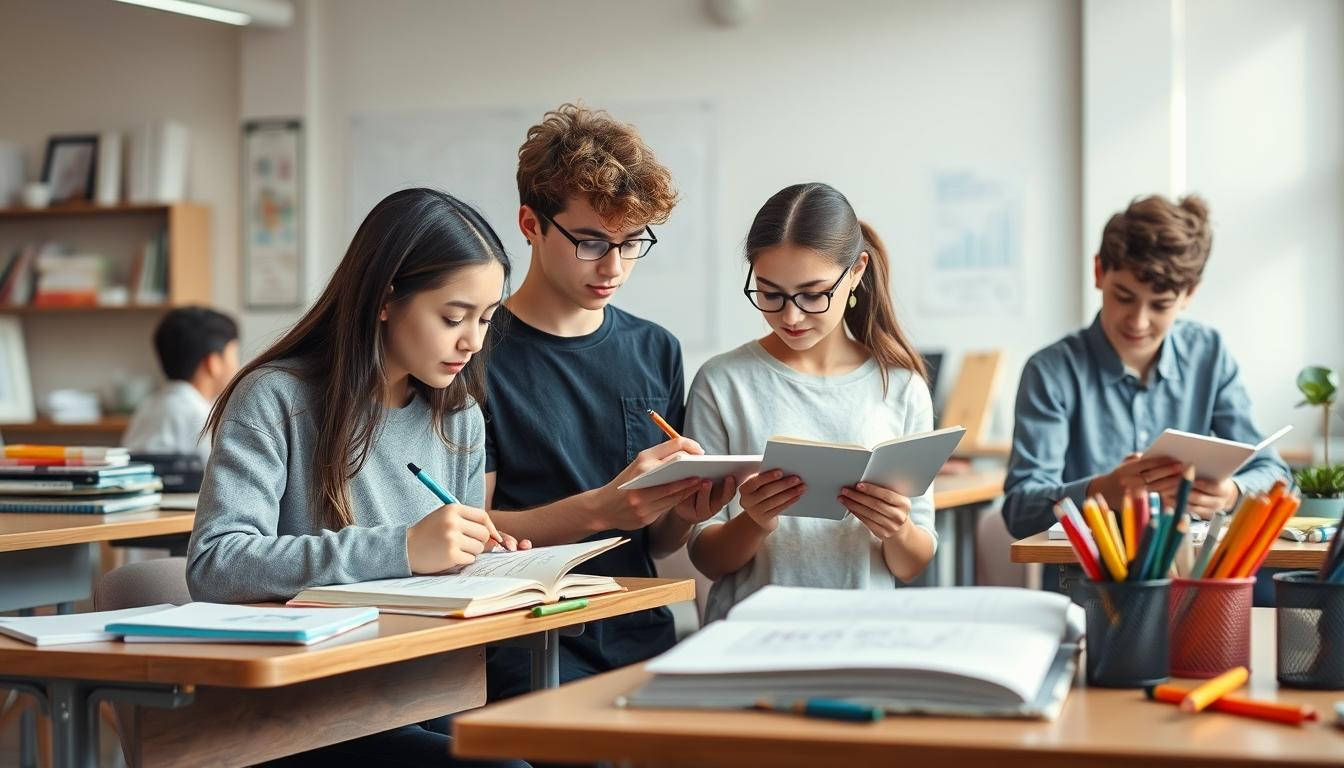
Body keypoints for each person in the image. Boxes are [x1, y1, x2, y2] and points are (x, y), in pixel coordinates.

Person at [188, 188, 527, 768]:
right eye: (453, 317)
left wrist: (489, 564)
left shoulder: (460, 416)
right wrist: (402, 547)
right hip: (308, 708)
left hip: (422, 687)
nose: (472, 341)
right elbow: (215, 565)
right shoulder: (276, 399)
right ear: (385, 299)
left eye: (486, 318)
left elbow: (444, 578)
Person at [482, 104, 734, 700]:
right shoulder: (474, 355)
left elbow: (661, 542)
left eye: (631, 243)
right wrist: (604, 508)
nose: (614, 266)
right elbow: (474, 531)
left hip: (640, 630)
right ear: (530, 223)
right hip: (525, 640)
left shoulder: (655, 349)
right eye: (591, 242)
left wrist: (688, 507)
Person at [687, 182, 937, 624]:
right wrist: (754, 520)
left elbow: (913, 563)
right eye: (770, 294)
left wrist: (897, 528)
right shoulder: (723, 382)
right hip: (747, 638)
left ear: (856, 272)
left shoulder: (900, 386)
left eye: (812, 294)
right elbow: (707, 558)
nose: (791, 316)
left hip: (862, 637)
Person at [123, 306, 239, 463]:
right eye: (234, 354)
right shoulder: (200, 416)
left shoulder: (148, 406)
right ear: (214, 363)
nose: (238, 365)